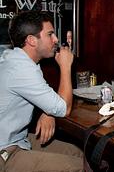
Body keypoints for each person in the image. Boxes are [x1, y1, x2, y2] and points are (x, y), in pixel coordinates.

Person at [0, 11, 83, 171]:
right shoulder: (21, 69)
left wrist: (48, 112)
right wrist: (65, 67)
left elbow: (48, 100)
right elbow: (64, 108)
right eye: (50, 34)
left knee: (79, 153)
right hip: (5, 150)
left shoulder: (19, 60)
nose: (56, 40)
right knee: (78, 167)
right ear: (31, 40)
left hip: (19, 140)